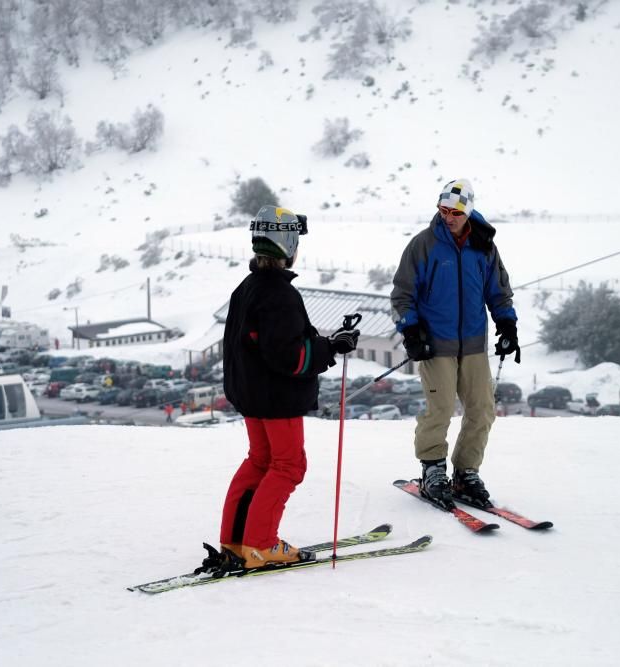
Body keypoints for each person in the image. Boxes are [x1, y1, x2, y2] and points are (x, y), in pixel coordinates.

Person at [214, 205, 359, 571]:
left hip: (252, 394)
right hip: (276, 399)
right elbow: (290, 356)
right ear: (288, 244)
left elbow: (268, 343)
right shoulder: (278, 294)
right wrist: (331, 348)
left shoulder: (248, 288)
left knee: (261, 461)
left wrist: (328, 343)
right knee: (289, 465)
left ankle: (236, 541)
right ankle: (261, 546)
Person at [391, 179, 518, 509]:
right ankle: (433, 468)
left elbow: (498, 290)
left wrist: (507, 325)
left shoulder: (484, 246)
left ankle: (465, 472)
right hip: (436, 345)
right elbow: (402, 294)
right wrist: (411, 332)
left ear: (468, 211)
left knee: (482, 409)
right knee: (442, 407)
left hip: (474, 343)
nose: (448, 217)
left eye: (455, 212)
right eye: (443, 210)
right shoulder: (424, 245)